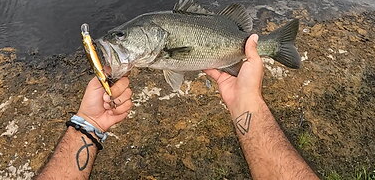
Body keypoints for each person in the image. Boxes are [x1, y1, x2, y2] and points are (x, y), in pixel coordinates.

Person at [37, 34, 319, 179]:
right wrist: (90, 122)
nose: (116, 41)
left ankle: (275, 45)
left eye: (122, 37)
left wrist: (88, 123)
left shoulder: (167, 49)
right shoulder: (159, 53)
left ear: (152, 36)